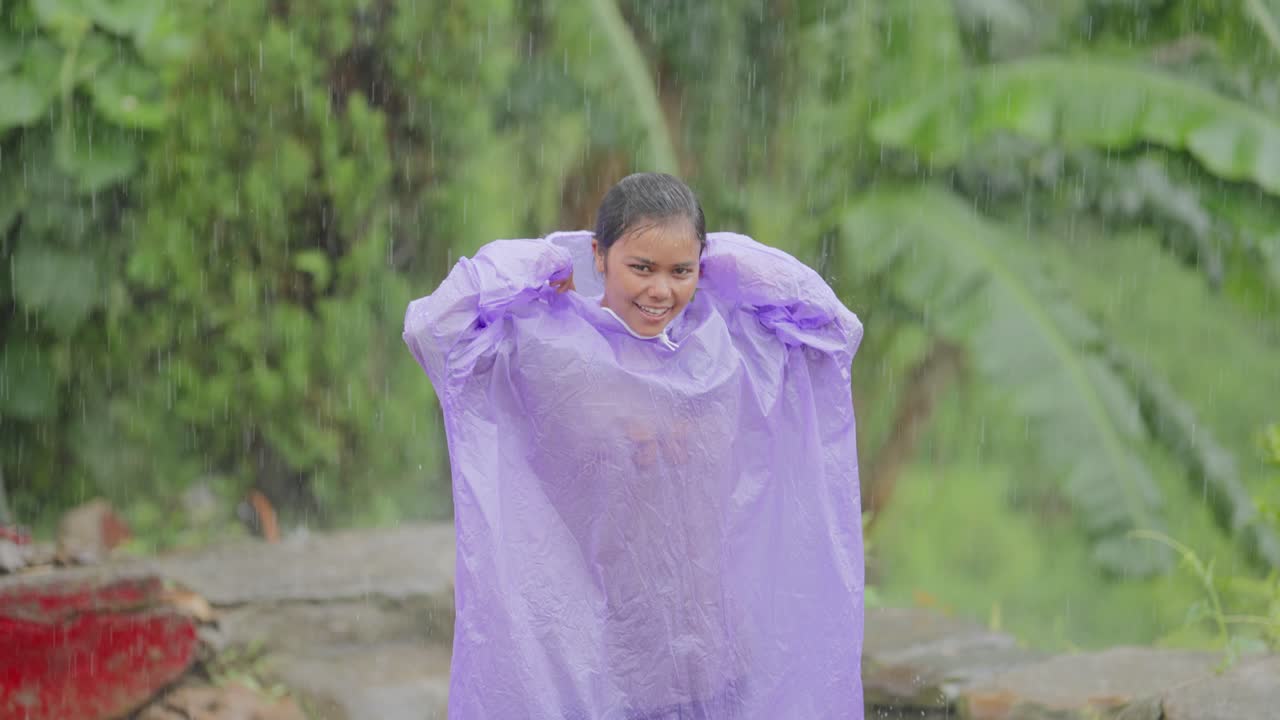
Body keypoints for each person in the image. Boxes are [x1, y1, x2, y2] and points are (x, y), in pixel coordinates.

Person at [404, 173, 865, 719]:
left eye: (681, 271)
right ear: (599, 256)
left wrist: (725, 260)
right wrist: (545, 259)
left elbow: (833, 331)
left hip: (710, 642)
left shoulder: (724, 353)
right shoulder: (551, 352)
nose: (660, 290)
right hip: (590, 647)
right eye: (641, 267)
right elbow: (437, 328)